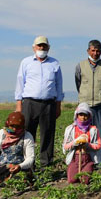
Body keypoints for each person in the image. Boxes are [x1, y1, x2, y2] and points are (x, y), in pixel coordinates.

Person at [15, 35, 64, 168]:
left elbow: (59, 85)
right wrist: (19, 105)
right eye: (39, 46)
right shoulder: (26, 62)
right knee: (27, 133)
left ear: (48, 48)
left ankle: (46, 163)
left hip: (49, 103)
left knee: (47, 133)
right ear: (34, 47)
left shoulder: (54, 63)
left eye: (44, 46)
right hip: (29, 103)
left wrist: (58, 105)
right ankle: (26, 163)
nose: (42, 48)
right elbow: (20, 83)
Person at [75, 39, 101, 160]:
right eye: (93, 50)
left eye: (98, 51)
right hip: (85, 107)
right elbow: (78, 83)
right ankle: (86, 159)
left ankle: (100, 160)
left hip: (100, 105)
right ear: (88, 51)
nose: (95, 53)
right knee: (83, 133)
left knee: (100, 133)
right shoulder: (80, 65)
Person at [0, 112, 35, 185]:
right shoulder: (0, 134)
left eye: (18, 127)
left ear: (22, 126)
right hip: (2, 167)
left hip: (19, 168)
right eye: (12, 126)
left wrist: (20, 166)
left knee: (20, 179)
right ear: (7, 124)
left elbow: (30, 158)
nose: (14, 129)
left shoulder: (27, 136)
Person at [63, 103, 101, 184]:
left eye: (85, 115)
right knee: (72, 180)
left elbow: (98, 145)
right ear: (77, 115)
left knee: (85, 181)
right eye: (81, 114)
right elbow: (66, 146)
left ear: (89, 116)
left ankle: (90, 167)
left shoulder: (93, 129)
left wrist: (88, 144)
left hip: (87, 158)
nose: (83, 117)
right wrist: (75, 142)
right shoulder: (71, 129)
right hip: (75, 158)